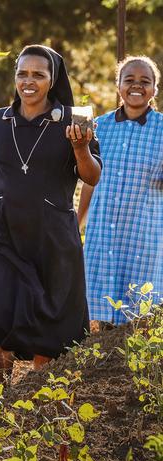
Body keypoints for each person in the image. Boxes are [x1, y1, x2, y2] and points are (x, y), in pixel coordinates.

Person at [0, 45, 102, 384]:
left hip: (53, 236)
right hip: (2, 233)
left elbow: (92, 176)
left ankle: (37, 399)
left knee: (49, 321)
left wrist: (79, 148)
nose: (29, 81)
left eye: (39, 74)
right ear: (15, 77)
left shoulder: (74, 120)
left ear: (52, 80)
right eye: (22, 73)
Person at [78, 55, 162, 325]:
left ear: (154, 89)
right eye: (129, 80)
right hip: (104, 230)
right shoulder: (98, 127)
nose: (136, 86)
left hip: (145, 232)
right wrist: (76, 223)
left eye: (144, 81)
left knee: (141, 310)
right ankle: (102, 360)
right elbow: (90, 182)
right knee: (102, 303)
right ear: (118, 85)